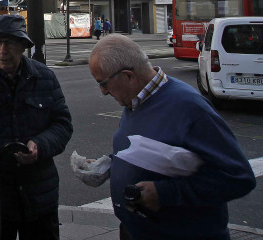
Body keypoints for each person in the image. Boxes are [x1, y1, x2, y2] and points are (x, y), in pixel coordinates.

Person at [89, 34, 255, 240]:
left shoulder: (190, 108)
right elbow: (152, 153)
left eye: (103, 83)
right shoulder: (135, 99)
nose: (103, 92)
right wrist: (111, 164)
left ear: (128, 76)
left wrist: (164, 193)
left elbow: (238, 177)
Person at [0, 14, 73, 240]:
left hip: (38, 195)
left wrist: (40, 145)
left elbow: (63, 124)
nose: (2, 50)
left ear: (23, 46)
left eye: (10, 43)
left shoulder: (45, 77)